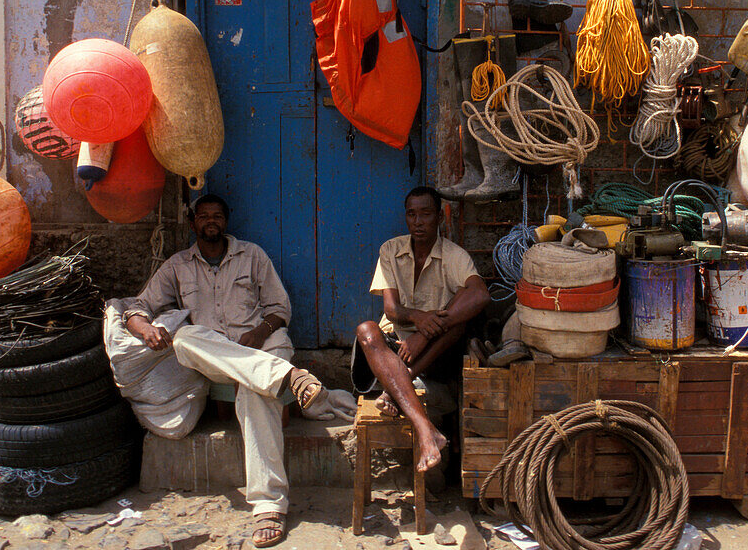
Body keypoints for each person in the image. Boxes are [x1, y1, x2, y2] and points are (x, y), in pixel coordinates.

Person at [119, 194, 323, 549]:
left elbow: (280, 309)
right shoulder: (178, 265)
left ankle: (268, 506)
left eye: (217, 215)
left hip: (264, 347)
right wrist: (144, 328)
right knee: (183, 340)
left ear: (226, 221)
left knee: (255, 393)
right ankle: (288, 377)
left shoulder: (252, 255)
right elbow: (138, 305)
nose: (210, 220)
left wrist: (257, 334)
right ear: (194, 221)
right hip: (217, 358)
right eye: (203, 215)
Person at [352, 186, 491, 472]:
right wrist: (418, 319)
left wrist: (424, 333)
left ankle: (400, 386)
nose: (418, 222)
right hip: (395, 349)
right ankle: (426, 429)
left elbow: (480, 295)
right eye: (412, 214)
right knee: (366, 329)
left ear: (440, 217)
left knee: (457, 319)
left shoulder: (454, 256)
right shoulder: (390, 250)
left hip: (433, 352)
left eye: (425, 214)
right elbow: (392, 310)